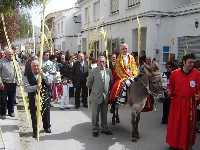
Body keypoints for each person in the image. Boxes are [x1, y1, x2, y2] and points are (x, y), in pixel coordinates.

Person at [166, 53, 200, 150]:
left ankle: (187, 145)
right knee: (175, 125)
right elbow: (170, 86)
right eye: (190, 62)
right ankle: (173, 144)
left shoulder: (197, 73)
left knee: (188, 127)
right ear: (184, 62)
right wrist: (169, 91)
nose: (192, 64)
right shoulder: (174, 73)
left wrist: (198, 95)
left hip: (190, 104)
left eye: (193, 63)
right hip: (177, 103)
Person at [24, 59, 52, 138]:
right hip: (33, 96)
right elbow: (26, 88)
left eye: (37, 66)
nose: (36, 67)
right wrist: (36, 87)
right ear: (31, 67)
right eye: (34, 66)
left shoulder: (43, 72)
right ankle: (35, 130)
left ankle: (47, 127)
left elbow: (49, 82)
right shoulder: (26, 75)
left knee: (46, 111)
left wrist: (42, 75)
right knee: (34, 113)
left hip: (43, 94)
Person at [86, 55, 113, 137]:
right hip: (95, 96)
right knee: (95, 114)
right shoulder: (93, 71)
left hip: (105, 97)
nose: (102, 63)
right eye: (100, 61)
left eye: (103, 62)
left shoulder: (109, 71)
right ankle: (95, 129)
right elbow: (88, 83)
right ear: (97, 62)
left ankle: (104, 128)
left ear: (105, 62)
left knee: (104, 113)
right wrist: (94, 90)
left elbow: (111, 82)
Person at [0, 48, 18, 118]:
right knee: (3, 99)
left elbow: (18, 72)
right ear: (6, 54)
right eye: (9, 54)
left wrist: (18, 80)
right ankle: (3, 113)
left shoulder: (15, 62)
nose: (11, 55)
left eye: (12, 54)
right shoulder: (1, 62)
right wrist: (0, 82)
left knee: (12, 98)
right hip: (4, 83)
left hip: (13, 83)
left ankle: (11, 111)